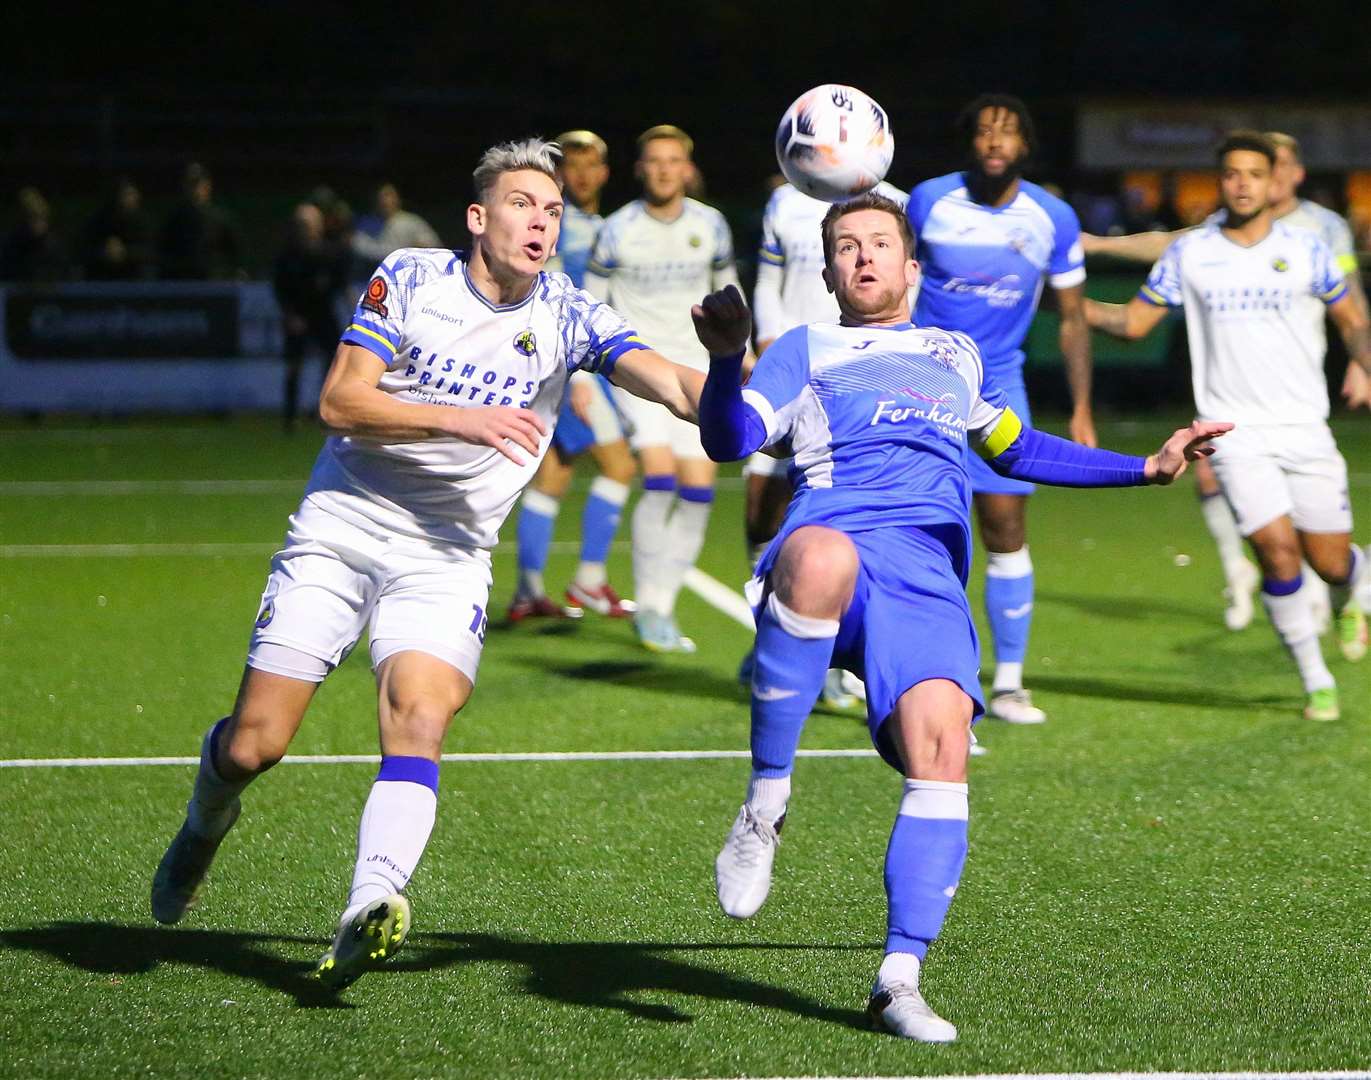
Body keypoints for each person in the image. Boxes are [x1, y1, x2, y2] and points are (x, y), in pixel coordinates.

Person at [149, 137, 723, 993]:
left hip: (449, 554)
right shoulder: (412, 277)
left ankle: (370, 902)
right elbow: (339, 399)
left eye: (553, 208)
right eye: (524, 204)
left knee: (420, 716)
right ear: (478, 217)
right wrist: (460, 418)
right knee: (255, 746)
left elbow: (671, 385)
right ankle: (206, 816)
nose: (542, 220)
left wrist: (738, 372)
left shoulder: (566, 308)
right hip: (343, 526)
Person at [695, 191, 1229, 1041]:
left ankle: (897, 979)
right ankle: (765, 803)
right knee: (823, 559)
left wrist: (1146, 467)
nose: (862, 256)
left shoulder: (955, 353)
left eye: (878, 243)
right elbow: (730, 441)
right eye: (844, 246)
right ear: (828, 271)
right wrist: (727, 361)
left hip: (925, 580)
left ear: (912, 267)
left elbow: (1014, 447)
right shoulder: (803, 347)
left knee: (941, 752)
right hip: (833, 537)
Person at [1085, 131, 1371, 720]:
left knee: (1329, 561)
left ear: (1275, 183)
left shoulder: (1308, 248)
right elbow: (1137, 323)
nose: (1242, 183)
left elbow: (1351, 319)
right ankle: (1315, 679)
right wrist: (1072, 306)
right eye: (1232, 174)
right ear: (1222, 182)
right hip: (1233, 434)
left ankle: (1356, 588)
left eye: (1254, 174)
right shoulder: (1192, 253)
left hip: (1305, 430)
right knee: (1275, 553)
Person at [905, 93, 1096, 725]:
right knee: (922, 532)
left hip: (1000, 388)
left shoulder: (1053, 217)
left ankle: (1009, 682)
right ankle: (925, 670)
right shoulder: (929, 201)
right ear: (970, 142)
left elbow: (1071, 321)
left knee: (1005, 530)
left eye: (1007, 132)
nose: (994, 141)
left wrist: (1081, 409)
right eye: (984, 130)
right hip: (920, 383)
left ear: (1025, 146)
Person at [744, 176, 908, 711]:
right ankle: (777, 628)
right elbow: (768, 280)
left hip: (856, 377)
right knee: (761, 514)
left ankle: (846, 659)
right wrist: (767, 346)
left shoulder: (896, 204)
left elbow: (906, 289)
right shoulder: (786, 202)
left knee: (852, 523)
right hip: (792, 366)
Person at [585, 125, 742, 652]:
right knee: (658, 479)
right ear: (640, 167)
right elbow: (592, 301)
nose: (664, 169)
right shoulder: (617, 229)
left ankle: (663, 606)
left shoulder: (711, 225)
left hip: (698, 369)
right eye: (654, 160)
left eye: (674, 160)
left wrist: (744, 349)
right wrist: (587, 377)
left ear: (687, 166)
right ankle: (648, 605)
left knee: (698, 489)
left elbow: (727, 288)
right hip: (639, 370)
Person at [508, 130, 638, 621]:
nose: (582, 176)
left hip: (579, 368)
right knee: (620, 466)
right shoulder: (554, 226)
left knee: (554, 476)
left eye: (591, 166)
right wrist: (578, 378)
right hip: (569, 366)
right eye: (572, 167)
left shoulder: (602, 225)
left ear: (605, 172)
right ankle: (588, 580)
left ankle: (527, 592)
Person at [273, 203, 348, 430]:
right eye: (301, 224)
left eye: (309, 224)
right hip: (297, 315)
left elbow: (339, 285)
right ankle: (290, 416)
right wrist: (290, 315)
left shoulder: (329, 253)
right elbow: (280, 289)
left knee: (334, 362)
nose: (305, 229)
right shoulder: (287, 256)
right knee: (294, 365)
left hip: (322, 314)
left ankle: (325, 411)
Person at [159, 163, 242, 281]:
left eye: (198, 184)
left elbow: (235, 251)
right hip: (182, 283)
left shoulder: (219, 217)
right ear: (184, 186)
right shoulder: (175, 219)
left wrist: (232, 271)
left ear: (208, 185)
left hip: (213, 281)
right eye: (190, 184)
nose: (195, 189)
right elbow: (164, 251)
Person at [351, 182, 441, 265]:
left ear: (397, 198)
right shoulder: (366, 224)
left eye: (389, 196)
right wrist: (406, 251)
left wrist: (422, 248)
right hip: (372, 275)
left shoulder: (412, 221)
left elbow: (434, 246)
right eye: (381, 197)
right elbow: (362, 250)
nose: (385, 201)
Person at [82, 178, 153, 281]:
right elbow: (84, 249)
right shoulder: (99, 221)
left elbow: (150, 251)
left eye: (132, 194)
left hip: (135, 282)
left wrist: (125, 252)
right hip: (100, 281)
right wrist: (104, 251)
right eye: (125, 195)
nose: (129, 199)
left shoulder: (143, 222)